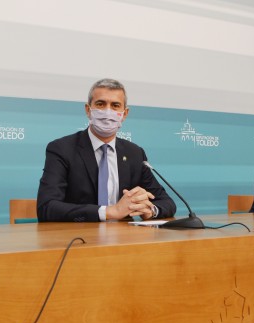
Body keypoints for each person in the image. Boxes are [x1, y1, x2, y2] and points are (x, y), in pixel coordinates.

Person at [37, 78, 176, 222]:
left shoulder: (134, 153)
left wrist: (150, 210)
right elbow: (47, 207)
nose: (107, 111)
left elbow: (167, 203)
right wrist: (110, 212)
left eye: (115, 105)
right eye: (100, 104)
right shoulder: (62, 149)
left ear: (125, 113)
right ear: (88, 110)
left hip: (125, 239)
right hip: (79, 238)